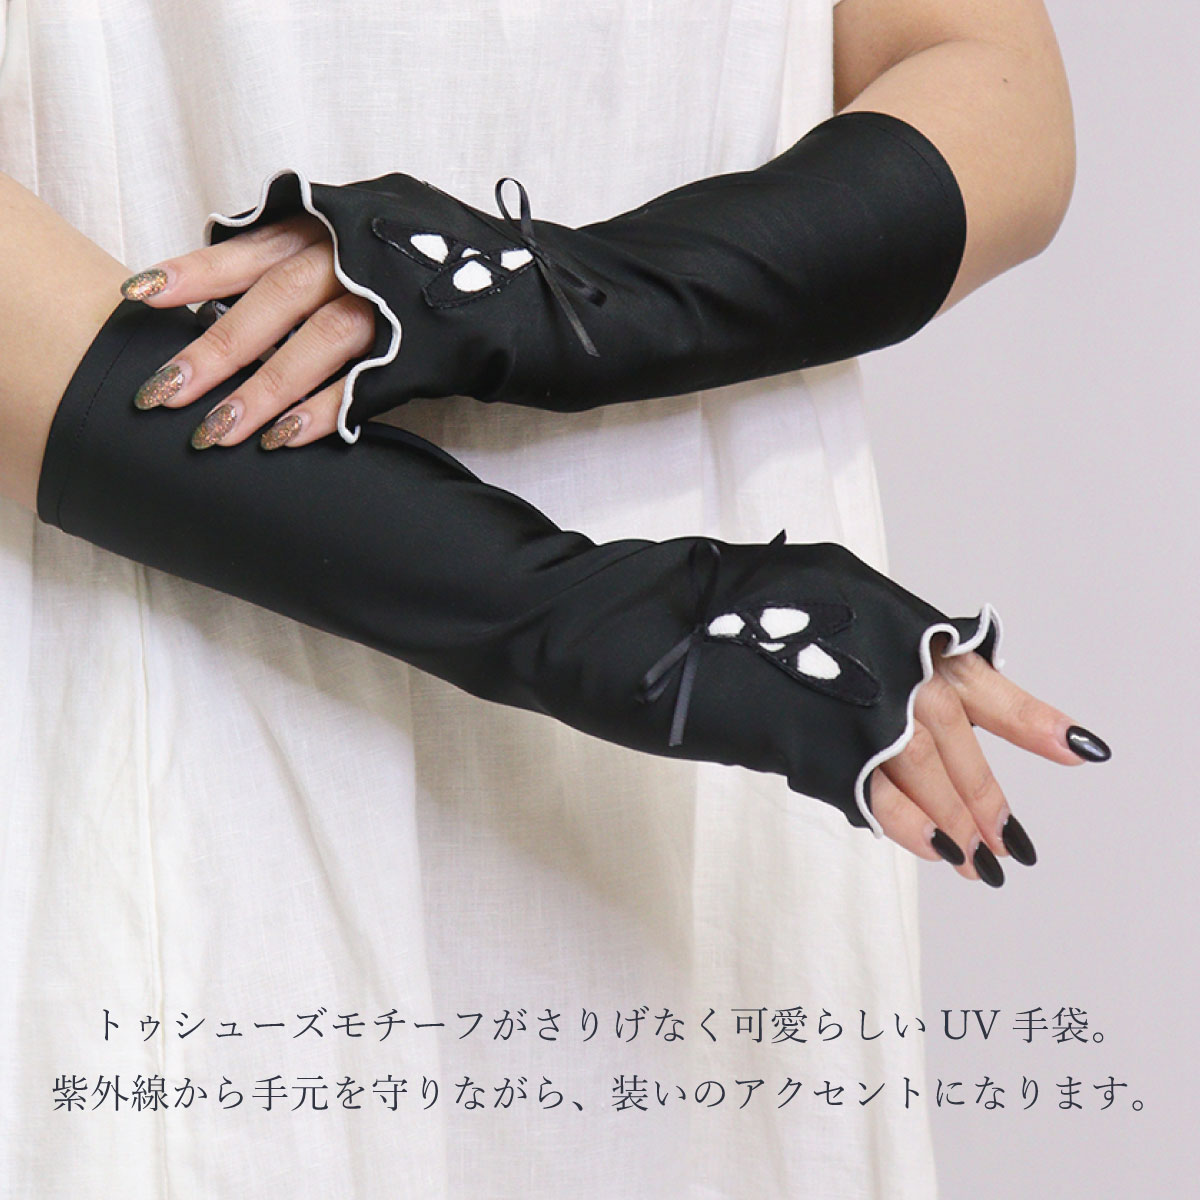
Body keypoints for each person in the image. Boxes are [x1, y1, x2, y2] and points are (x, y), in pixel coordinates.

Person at [0, 1, 1089, 1195]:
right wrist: (584, 613)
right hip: (165, 635)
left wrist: (562, 296)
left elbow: (998, 89)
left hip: (715, 723)